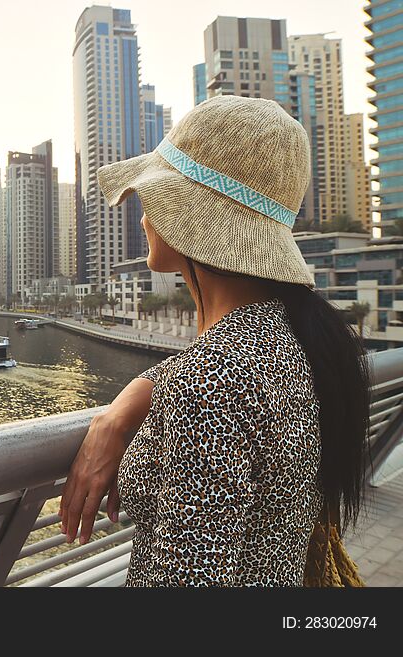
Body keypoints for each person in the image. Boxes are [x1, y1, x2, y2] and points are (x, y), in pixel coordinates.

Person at [58, 95, 372, 586]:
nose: (142, 213)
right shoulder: (295, 340)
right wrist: (128, 404)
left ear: (186, 215)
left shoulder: (208, 382)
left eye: (152, 196)